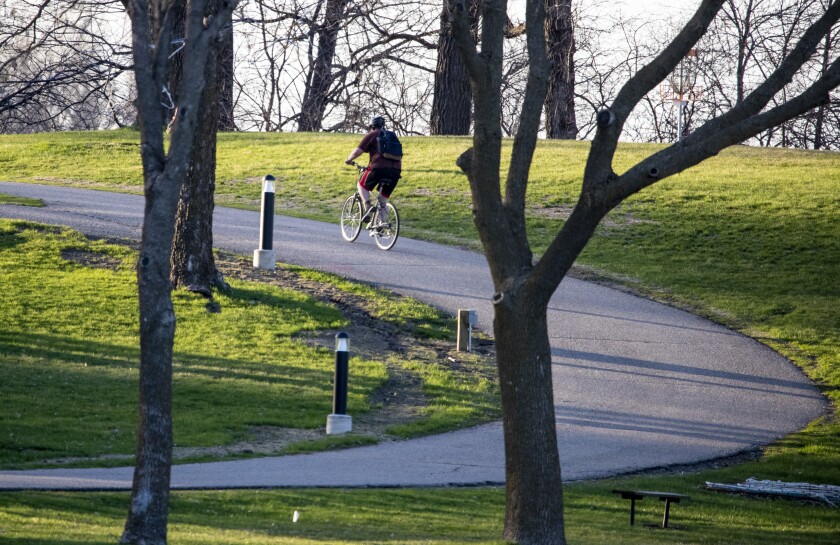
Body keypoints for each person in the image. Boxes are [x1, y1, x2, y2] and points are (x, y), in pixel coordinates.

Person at [344, 116, 401, 224]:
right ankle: (382, 225)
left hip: (378, 168)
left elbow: (358, 151)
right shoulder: (393, 136)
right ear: (383, 125)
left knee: (361, 185)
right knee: (383, 201)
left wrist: (349, 160)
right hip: (396, 171)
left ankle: (368, 206)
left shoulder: (372, 134)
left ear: (372, 126)